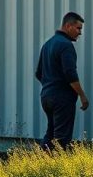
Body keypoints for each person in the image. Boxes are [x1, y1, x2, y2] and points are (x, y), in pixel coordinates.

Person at [35, 12, 89, 151]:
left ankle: (40, 164)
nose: (80, 33)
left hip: (46, 96)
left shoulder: (48, 44)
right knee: (62, 139)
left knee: (51, 133)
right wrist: (82, 95)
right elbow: (70, 74)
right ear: (68, 26)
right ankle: (58, 169)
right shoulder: (66, 46)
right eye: (78, 28)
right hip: (62, 98)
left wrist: (51, 86)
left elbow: (38, 73)